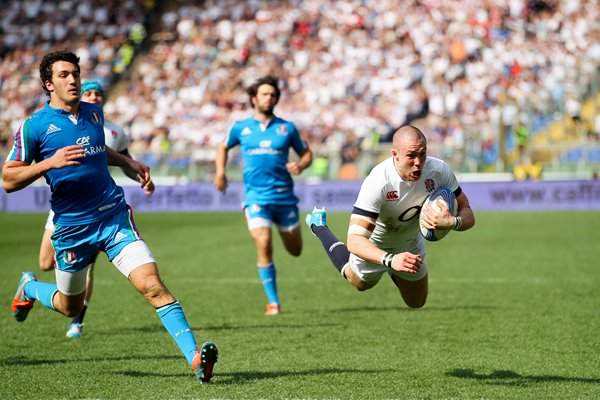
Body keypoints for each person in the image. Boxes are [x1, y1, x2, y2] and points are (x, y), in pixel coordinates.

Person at [2, 51, 217, 383]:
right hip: (72, 229)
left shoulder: (94, 113)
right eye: (64, 75)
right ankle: (29, 288)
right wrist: (48, 163)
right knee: (69, 307)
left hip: (113, 218)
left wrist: (128, 163)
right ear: (49, 84)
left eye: (75, 73)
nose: (73, 80)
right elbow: (8, 179)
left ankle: (195, 359)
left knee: (152, 286)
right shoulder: (33, 127)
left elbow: (96, 148)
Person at [305, 125, 475, 307]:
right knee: (359, 283)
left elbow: (468, 212)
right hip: (376, 244)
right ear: (395, 154)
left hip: (410, 243)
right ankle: (319, 227)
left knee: (416, 302)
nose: (418, 162)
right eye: (411, 155)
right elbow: (354, 241)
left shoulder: (439, 171)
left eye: (422, 153)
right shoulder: (378, 181)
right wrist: (390, 259)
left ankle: (395, 269)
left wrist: (452, 222)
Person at [38, 80, 155, 338]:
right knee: (45, 263)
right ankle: (33, 288)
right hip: (65, 208)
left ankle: (76, 322)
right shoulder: (61, 122)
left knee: (88, 266)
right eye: (89, 92)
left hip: (99, 208)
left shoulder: (112, 130)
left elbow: (124, 161)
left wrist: (139, 176)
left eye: (98, 93)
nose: (94, 97)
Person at [213, 75, 312, 315]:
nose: (270, 98)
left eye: (273, 95)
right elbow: (223, 147)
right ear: (254, 98)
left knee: (295, 250)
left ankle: (285, 232)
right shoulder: (241, 128)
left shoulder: (286, 128)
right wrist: (220, 173)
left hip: (284, 198)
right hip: (256, 198)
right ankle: (273, 302)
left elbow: (307, 154)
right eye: (265, 94)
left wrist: (300, 165)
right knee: (263, 242)